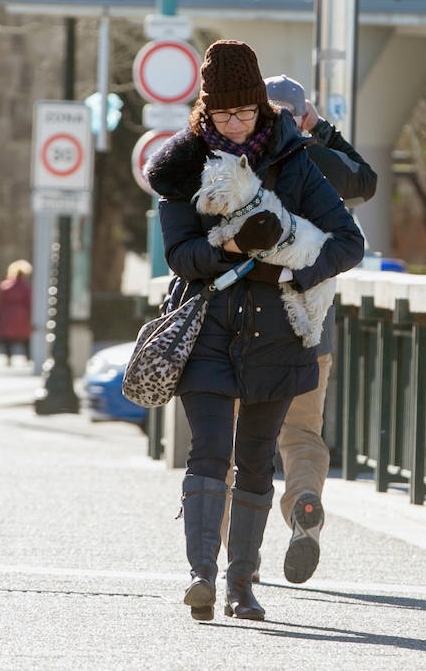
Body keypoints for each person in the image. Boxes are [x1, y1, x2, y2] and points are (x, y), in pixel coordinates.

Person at [145, 40, 364, 623]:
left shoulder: (295, 160)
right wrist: (236, 246)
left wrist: (290, 268)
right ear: (206, 112)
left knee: (257, 458)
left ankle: (243, 584)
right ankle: (201, 578)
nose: (236, 126)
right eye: (223, 115)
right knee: (208, 453)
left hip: (278, 336)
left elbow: (349, 243)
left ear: (263, 110)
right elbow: (181, 255)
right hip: (207, 332)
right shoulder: (183, 167)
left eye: (245, 113)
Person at [264, 74, 377, 585]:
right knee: (302, 432)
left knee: (227, 438)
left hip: (248, 321)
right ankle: (304, 501)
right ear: (301, 114)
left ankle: (227, 557)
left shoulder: (246, 159)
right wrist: (324, 131)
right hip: (312, 324)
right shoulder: (322, 164)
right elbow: (367, 179)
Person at [0, 260, 33, 366]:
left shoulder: (6, 285)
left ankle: (8, 357)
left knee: (8, 338)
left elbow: (0, 301)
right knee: (25, 338)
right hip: (22, 314)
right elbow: (29, 301)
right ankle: (27, 357)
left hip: (8, 313)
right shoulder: (26, 286)